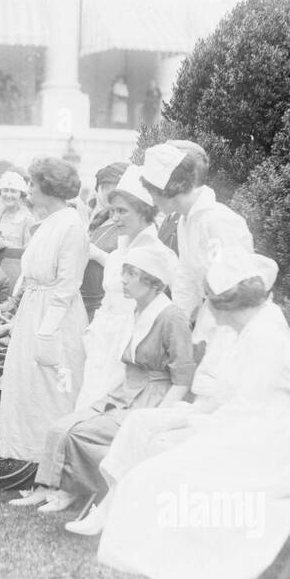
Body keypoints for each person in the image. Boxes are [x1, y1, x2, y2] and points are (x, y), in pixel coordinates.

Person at [96, 248, 290, 579]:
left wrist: (199, 427)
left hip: (268, 445)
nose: (208, 310)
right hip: (248, 432)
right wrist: (194, 421)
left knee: (175, 478)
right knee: (156, 467)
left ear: (225, 303)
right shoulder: (254, 329)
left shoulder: (267, 336)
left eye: (210, 302)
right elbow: (234, 402)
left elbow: (251, 409)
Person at [24, 243, 194, 520]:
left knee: (80, 433)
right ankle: (48, 486)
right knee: (60, 426)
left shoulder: (171, 317)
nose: (122, 280)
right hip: (125, 391)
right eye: (123, 272)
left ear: (153, 282)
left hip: (152, 398)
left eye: (131, 274)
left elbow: (182, 378)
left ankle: (69, 489)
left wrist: (158, 417)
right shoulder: (136, 311)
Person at [0, 158, 88, 480]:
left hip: (56, 321)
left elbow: (67, 285)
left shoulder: (71, 224)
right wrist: (12, 308)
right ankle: (35, 470)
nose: (29, 189)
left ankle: (55, 477)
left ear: (49, 186)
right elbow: (29, 275)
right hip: (34, 313)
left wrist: (46, 332)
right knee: (30, 393)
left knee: (53, 395)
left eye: (33, 183)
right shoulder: (47, 223)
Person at [140, 140, 252, 355]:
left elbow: (228, 283)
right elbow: (186, 281)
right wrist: (178, 328)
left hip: (237, 325)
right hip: (212, 324)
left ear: (170, 187)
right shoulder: (185, 222)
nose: (152, 200)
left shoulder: (215, 220)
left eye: (153, 191)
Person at [74, 166, 163, 414]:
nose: (115, 218)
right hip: (104, 336)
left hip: (130, 341)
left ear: (144, 212)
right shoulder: (119, 249)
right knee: (90, 401)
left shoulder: (154, 252)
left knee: (114, 407)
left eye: (122, 211)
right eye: (112, 211)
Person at [81, 161, 129, 319]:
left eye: (115, 188)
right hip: (85, 301)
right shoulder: (99, 218)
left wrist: (98, 255)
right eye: (104, 188)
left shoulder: (130, 222)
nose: (109, 194)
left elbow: (131, 268)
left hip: (110, 303)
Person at [0, 171, 36, 287]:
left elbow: (30, 251)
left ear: (21, 194)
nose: (9, 195)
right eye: (5, 190)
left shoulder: (27, 219)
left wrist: (6, 245)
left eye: (13, 191)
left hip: (14, 273)